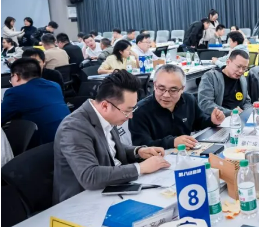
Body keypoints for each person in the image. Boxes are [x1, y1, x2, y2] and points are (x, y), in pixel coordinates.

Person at [53, 70, 171, 203]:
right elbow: (90, 176)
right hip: (83, 200)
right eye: (127, 111)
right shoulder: (74, 128)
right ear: (105, 106)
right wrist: (140, 168)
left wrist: (138, 151)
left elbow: (109, 147)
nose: (130, 116)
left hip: (114, 188)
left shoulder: (107, 115)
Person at [130, 64, 225, 149]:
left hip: (186, 153)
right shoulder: (139, 111)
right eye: (161, 88)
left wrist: (212, 121)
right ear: (154, 86)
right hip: (157, 158)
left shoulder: (189, 100)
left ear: (182, 89)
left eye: (173, 90)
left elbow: (199, 122)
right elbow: (141, 146)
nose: (166, 95)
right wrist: (172, 142)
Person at [2, 58, 70, 146]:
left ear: (16, 76)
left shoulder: (15, 93)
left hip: (47, 146)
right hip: (70, 136)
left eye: (11, 77)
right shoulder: (54, 86)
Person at [198, 50, 253, 117]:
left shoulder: (242, 79)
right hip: (220, 118)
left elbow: (246, 101)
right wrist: (230, 112)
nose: (241, 71)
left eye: (244, 68)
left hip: (239, 117)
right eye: (238, 66)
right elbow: (205, 103)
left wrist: (248, 112)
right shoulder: (210, 77)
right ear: (228, 62)